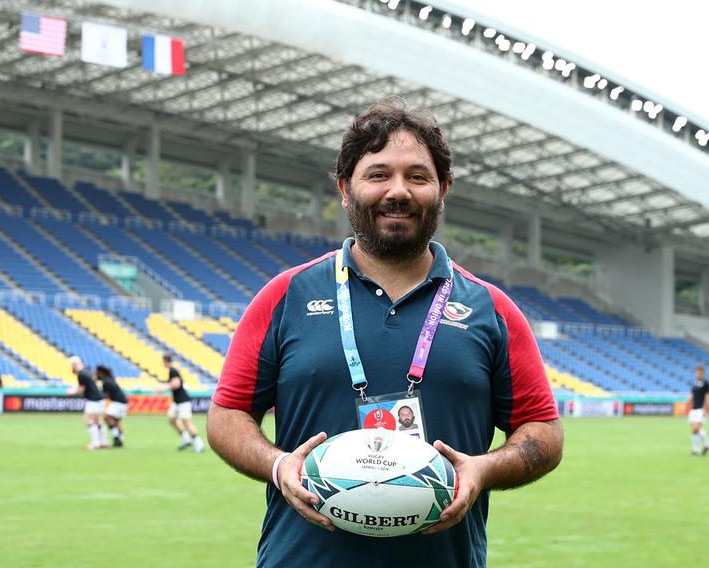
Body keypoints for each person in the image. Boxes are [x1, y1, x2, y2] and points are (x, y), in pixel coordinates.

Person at [207, 97, 563, 567]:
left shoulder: (491, 309)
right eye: (378, 174)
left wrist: (483, 470)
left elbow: (543, 431)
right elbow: (226, 414)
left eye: (418, 176)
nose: (399, 191)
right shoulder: (285, 295)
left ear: (443, 189)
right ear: (344, 188)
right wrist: (280, 464)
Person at [159, 354, 204, 453]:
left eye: (162, 361)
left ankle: (198, 443)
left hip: (183, 401)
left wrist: (163, 388)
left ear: (166, 361)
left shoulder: (173, 370)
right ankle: (186, 439)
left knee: (186, 422)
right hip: (177, 402)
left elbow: (176, 384)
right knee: (171, 418)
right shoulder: (172, 371)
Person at [67, 356, 107, 450]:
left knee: (89, 420)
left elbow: (81, 389)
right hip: (100, 399)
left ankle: (95, 443)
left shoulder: (81, 374)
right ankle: (103, 442)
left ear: (75, 365)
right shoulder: (87, 371)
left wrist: (71, 392)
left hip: (93, 400)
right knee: (99, 421)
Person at [96, 365, 127, 448]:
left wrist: (103, 407)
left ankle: (116, 436)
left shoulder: (106, 382)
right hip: (123, 402)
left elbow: (107, 397)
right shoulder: (110, 379)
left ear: (101, 373)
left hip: (118, 402)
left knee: (107, 416)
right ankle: (120, 439)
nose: (96, 375)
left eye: (97, 373)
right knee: (116, 422)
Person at [685, 365, 709, 455]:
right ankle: (698, 448)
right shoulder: (694, 383)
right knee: (694, 430)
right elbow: (692, 394)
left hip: (700, 409)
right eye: (696, 372)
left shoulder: (706, 383)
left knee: (696, 428)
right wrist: (688, 400)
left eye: (699, 372)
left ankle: (700, 447)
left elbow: (707, 397)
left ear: (702, 373)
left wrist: (706, 409)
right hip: (693, 409)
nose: (697, 374)